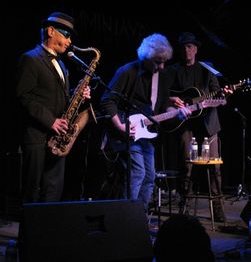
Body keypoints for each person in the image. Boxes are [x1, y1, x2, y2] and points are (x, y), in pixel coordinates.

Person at [100, 33, 190, 211]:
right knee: (138, 173)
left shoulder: (163, 76)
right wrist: (120, 125)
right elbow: (107, 100)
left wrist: (177, 113)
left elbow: (164, 107)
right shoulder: (127, 71)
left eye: (164, 61)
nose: (162, 66)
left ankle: (139, 218)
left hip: (146, 136)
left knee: (150, 176)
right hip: (126, 132)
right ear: (146, 57)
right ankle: (125, 218)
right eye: (157, 61)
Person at [16, 12, 91, 203]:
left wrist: (79, 95)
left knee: (53, 191)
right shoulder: (30, 59)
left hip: (58, 139)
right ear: (51, 31)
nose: (69, 40)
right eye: (66, 35)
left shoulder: (63, 65)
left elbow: (59, 98)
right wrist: (51, 121)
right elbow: (24, 96)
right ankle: (29, 234)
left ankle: (48, 232)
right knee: (32, 193)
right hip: (38, 137)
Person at [165, 32, 231, 222]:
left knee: (214, 168)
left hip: (209, 124)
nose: (187, 50)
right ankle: (184, 205)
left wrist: (224, 97)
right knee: (187, 165)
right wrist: (172, 99)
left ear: (196, 48)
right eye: (184, 47)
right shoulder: (172, 70)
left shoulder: (207, 69)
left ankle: (217, 209)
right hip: (186, 125)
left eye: (190, 46)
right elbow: (161, 94)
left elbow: (220, 98)